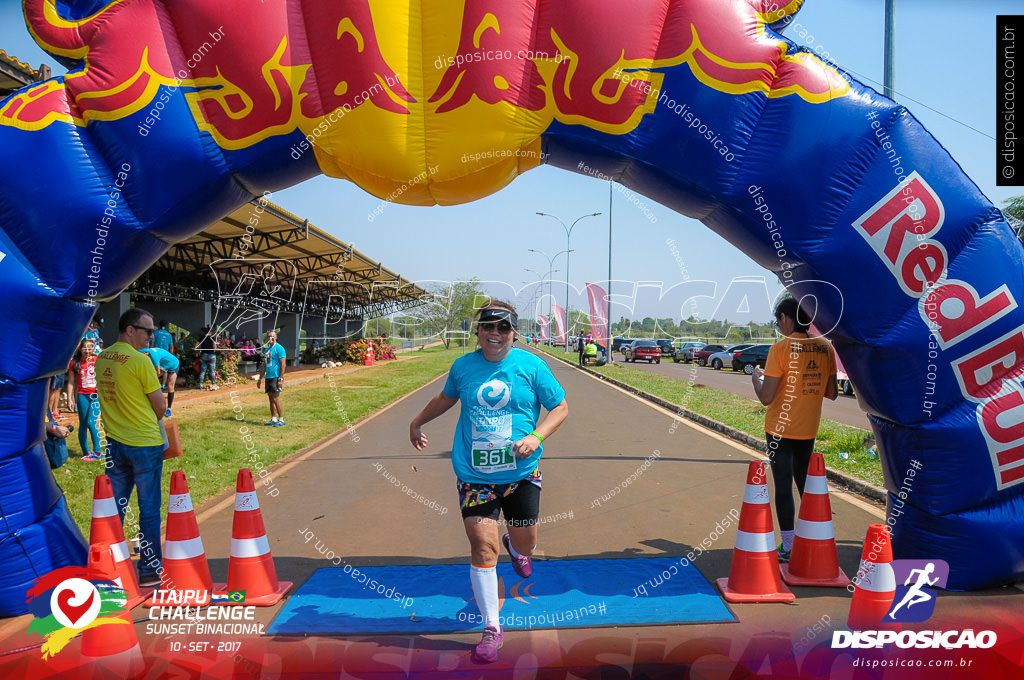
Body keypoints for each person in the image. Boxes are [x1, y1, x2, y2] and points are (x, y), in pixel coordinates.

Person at [409, 301, 568, 664]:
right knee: (483, 547)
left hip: (521, 475)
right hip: (474, 475)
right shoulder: (464, 366)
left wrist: (537, 437)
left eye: (503, 328)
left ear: (514, 332)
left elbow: (560, 407)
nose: (494, 334)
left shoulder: (532, 366)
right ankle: (492, 628)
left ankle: (517, 544)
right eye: (488, 327)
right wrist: (417, 422)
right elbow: (446, 398)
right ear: (478, 331)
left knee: (526, 542)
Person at [751, 297, 837, 563]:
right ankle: (814, 540)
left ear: (786, 318)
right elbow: (832, 393)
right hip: (808, 428)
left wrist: (757, 377)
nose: (779, 325)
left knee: (783, 486)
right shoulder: (825, 348)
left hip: (779, 429)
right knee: (806, 486)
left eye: (779, 320)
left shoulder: (780, 349)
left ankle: (788, 547)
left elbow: (766, 397)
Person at [95, 308, 167, 588]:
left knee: (114, 507)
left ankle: (108, 567)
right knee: (149, 508)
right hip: (145, 444)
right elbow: (160, 406)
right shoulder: (139, 361)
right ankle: (149, 570)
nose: (152, 336)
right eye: (147, 331)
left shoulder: (103, 358)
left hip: (115, 442)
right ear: (129, 330)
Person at [66, 338, 104, 461]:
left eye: (89, 348)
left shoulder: (97, 359)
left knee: (91, 422)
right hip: (82, 395)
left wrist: (96, 353)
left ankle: (97, 452)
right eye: (84, 348)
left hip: (96, 395)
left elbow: (107, 359)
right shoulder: (74, 363)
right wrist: (70, 399)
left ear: (93, 349)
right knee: (83, 424)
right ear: (80, 349)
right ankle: (86, 452)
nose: (87, 351)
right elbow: (71, 382)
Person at [257, 331, 288, 426]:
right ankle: (273, 418)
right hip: (269, 377)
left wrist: (280, 379)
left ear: (275, 337)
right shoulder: (267, 350)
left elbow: (283, 365)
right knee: (270, 398)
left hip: (276, 376)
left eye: (272, 336)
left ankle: (281, 420)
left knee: (276, 398)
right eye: (268, 336)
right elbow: (264, 366)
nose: (270, 338)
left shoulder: (279, 348)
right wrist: (260, 379)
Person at [140, 345, 180, 417]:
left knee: (170, 385)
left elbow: (158, 373)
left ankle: (169, 409)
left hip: (173, 364)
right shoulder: (143, 351)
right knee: (151, 379)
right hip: (163, 363)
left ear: (146, 353)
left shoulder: (154, 356)